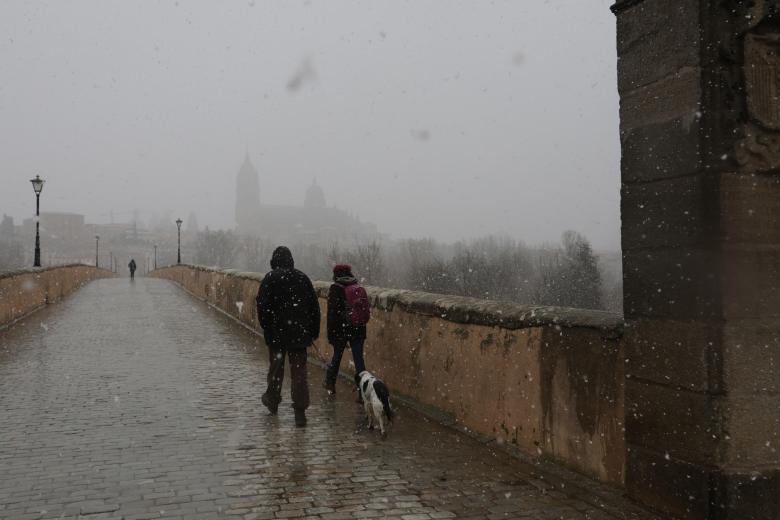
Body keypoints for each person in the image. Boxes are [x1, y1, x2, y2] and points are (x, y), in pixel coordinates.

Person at [256, 246, 320, 427]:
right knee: (299, 373)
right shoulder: (302, 278)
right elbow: (314, 308)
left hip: (276, 335)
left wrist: (267, 327)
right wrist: (313, 331)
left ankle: (273, 401)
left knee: (276, 369)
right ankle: (300, 411)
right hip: (299, 334)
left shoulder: (270, 279)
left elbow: (262, 307)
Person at [324, 264, 369, 398]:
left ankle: (330, 384)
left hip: (341, 329)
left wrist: (331, 335)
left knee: (336, 358)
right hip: (358, 329)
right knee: (359, 361)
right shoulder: (357, 287)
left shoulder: (336, 288)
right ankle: (362, 392)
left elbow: (332, 315)